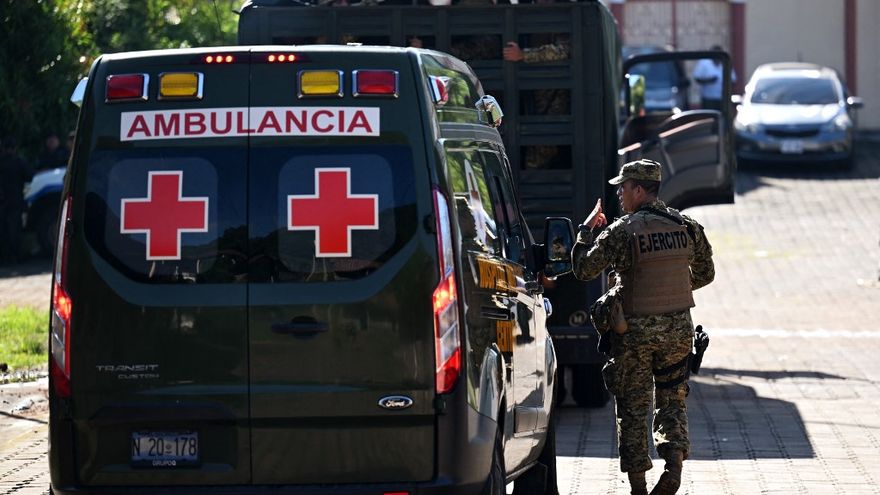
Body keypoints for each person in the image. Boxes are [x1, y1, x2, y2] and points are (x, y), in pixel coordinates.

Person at [571, 159, 714, 495]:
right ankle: (673, 468)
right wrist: (672, 287)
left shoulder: (623, 230)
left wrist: (585, 232)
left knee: (633, 408)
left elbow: (583, 269)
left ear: (638, 189)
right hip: (678, 330)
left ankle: (638, 487)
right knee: (672, 400)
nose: (619, 194)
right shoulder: (686, 226)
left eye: (623, 187)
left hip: (633, 332)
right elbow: (705, 274)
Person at [502, 4, 570, 169]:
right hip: (533, 94)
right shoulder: (530, 12)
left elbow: (563, 50)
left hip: (553, 94)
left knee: (544, 146)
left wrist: (524, 55)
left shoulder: (560, 15)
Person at [0, 137, 34, 264]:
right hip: (16, 200)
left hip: (2, 200)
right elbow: (30, 176)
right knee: (14, 230)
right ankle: (15, 257)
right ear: (15, 149)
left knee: (4, 230)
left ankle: (5, 257)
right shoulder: (19, 162)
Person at [692, 45, 735, 111]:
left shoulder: (726, 62)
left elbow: (733, 80)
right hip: (708, 98)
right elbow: (697, 79)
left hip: (723, 99)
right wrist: (708, 81)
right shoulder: (703, 63)